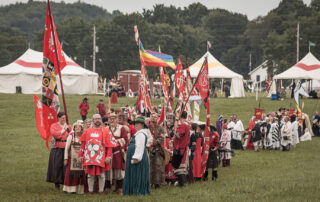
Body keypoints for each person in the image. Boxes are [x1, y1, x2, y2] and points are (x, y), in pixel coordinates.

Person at [78, 114, 118, 194]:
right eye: (95, 119)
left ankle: (101, 191)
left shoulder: (106, 131)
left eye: (99, 119)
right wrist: (80, 155)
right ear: (93, 120)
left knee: (102, 175)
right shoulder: (87, 131)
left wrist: (108, 157)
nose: (97, 120)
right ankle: (90, 191)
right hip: (89, 157)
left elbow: (109, 145)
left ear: (101, 120)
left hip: (101, 157)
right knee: (90, 175)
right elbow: (83, 144)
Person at [123, 116, 150, 195]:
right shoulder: (139, 133)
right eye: (135, 123)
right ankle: (133, 190)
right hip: (134, 154)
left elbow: (140, 146)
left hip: (137, 156)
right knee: (134, 172)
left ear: (142, 125)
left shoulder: (141, 134)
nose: (136, 125)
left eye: (138, 123)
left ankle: (137, 190)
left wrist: (136, 157)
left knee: (137, 173)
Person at [47, 112, 72, 190]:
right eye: (62, 118)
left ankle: (65, 181)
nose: (63, 119)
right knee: (57, 165)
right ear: (58, 118)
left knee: (66, 166)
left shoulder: (69, 126)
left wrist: (67, 130)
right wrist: (63, 131)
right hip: (57, 148)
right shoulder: (54, 126)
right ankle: (56, 182)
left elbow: (71, 134)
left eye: (64, 118)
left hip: (66, 148)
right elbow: (55, 134)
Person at [107, 113, 128, 195]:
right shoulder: (105, 128)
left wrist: (114, 142)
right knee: (107, 171)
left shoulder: (121, 128)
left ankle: (119, 188)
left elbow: (125, 139)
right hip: (108, 153)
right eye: (110, 119)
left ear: (117, 119)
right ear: (108, 120)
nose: (112, 120)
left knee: (118, 171)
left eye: (114, 118)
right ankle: (107, 188)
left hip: (117, 153)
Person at [63, 122, 87, 194]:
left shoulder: (83, 137)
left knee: (80, 174)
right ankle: (69, 189)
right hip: (72, 159)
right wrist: (66, 158)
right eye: (76, 127)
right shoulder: (71, 137)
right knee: (70, 174)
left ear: (81, 129)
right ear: (74, 128)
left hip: (81, 159)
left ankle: (79, 190)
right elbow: (66, 148)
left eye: (79, 127)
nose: (77, 129)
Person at [173, 111, 190, 187]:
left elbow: (178, 135)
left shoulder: (183, 125)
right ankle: (181, 182)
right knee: (180, 166)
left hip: (181, 148)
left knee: (180, 166)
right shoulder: (186, 124)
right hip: (182, 147)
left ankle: (182, 183)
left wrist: (175, 129)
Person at [148, 112, 165, 188]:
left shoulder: (160, 128)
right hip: (148, 149)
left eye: (155, 117)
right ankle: (149, 182)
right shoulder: (146, 128)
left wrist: (153, 142)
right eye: (152, 116)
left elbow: (162, 138)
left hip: (157, 149)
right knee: (149, 166)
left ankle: (157, 183)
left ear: (157, 118)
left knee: (158, 167)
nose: (153, 118)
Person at [164, 113, 177, 185]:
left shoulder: (176, 127)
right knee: (166, 161)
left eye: (170, 118)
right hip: (166, 145)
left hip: (173, 146)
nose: (169, 119)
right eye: (168, 118)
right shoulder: (164, 127)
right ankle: (166, 178)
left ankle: (173, 178)